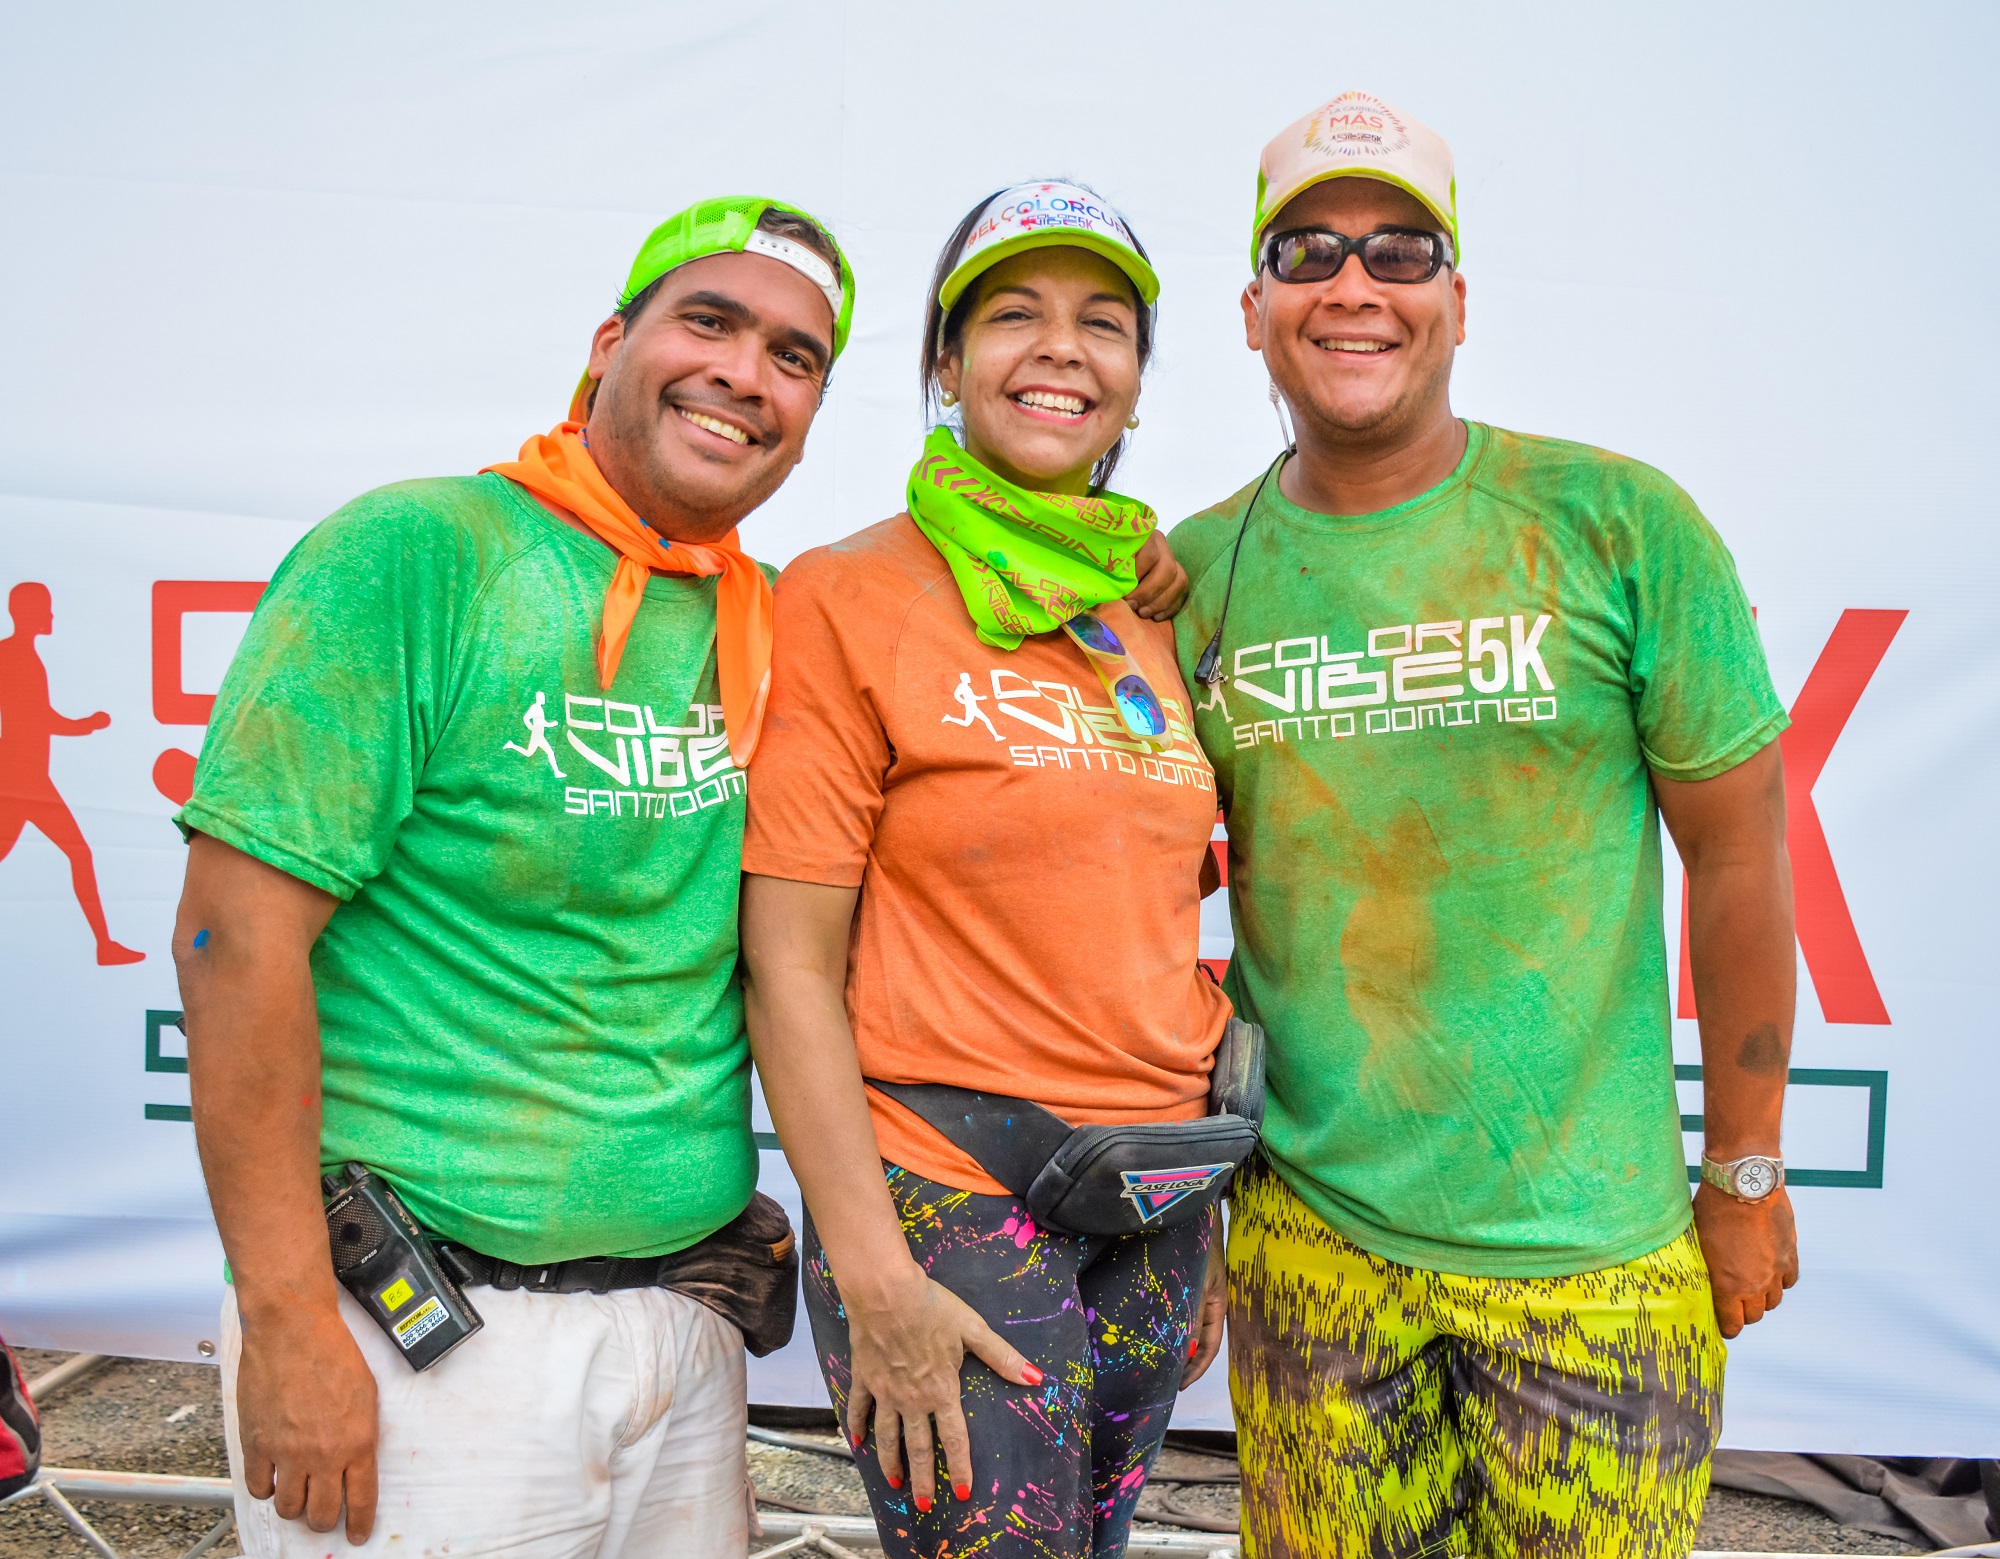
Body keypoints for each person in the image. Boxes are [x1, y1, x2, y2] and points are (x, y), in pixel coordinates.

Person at [172, 196, 857, 1558]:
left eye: (794, 354)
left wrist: (1136, 573)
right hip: (422, 1336)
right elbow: (233, 940)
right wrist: (290, 1317)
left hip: (687, 1324)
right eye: (707, 321)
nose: (745, 372)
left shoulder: (782, 615)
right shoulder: (421, 553)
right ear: (609, 345)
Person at [1171, 93, 1801, 1557]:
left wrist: (1748, 1171)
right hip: (1310, 1241)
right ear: (1255, 309)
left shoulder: (1617, 522)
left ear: (1458, 302)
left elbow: (1743, 858)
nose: (1354, 284)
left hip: (1598, 1258)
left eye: (1400, 250)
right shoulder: (1193, 574)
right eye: (1309, 250)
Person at [740, 181, 1226, 1558]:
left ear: (1136, 382)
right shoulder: (845, 593)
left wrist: (1212, 1222)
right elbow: (787, 964)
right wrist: (877, 1276)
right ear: (944, 366)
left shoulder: (1151, 607)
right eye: (1012, 315)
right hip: (944, 1189)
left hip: (1157, 1188)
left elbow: (1149, 916)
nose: (1061, 348)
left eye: (1103, 324)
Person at [0, 582, 144, 965]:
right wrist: (85, 725)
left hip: (30, 778)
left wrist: (83, 724)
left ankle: (105, 946)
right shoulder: (12, 655)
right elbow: (33, 720)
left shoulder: (24, 656)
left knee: (78, 854)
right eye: (44, 609)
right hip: (18, 780)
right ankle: (105, 945)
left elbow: (33, 718)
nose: (50, 616)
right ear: (24, 612)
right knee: (79, 854)